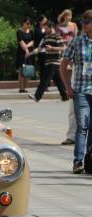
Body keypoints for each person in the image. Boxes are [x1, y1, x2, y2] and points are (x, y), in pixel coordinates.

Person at [60, 9, 92, 174]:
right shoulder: (77, 41)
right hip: (80, 90)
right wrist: (68, 87)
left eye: (87, 21)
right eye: (83, 21)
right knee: (82, 126)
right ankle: (77, 161)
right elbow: (63, 65)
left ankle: (90, 160)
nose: (83, 24)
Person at [27, 21, 67, 102]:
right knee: (58, 80)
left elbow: (64, 48)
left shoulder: (57, 36)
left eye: (46, 28)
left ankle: (37, 96)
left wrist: (52, 48)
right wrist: (30, 53)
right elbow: (40, 48)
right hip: (49, 61)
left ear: (50, 27)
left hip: (54, 61)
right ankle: (65, 96)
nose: (45, 30)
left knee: (45, 79)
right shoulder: (46, 37)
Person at [58, 9, 79, 146]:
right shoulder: (78, 42)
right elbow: (63, 64)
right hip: (79, 81)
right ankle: (71, 136)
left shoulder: (74, 26)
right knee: (74, 110)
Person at [15, 17, 35, 93]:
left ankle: (25, 87)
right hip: (21, 53)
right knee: (22, 71)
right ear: (23, 23)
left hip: (30, 53)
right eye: (27, 23)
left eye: (30, 24)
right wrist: (26, 50)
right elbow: (21, 42)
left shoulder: (31, 32)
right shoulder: (19, 31)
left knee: (29, 70)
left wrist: (27, 47)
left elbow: (33, 41)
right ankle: (21, 88)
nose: (29, 25)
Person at [34, 15, 48, 85]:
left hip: (48, 51)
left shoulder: (48, 28)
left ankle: (47, 84)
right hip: (40, 51)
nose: (46, 22)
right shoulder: (37, 30)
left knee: (48, 68)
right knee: (42, 68)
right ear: (40, 21)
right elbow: (37, 39)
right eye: (44, 21)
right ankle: (42, 83)